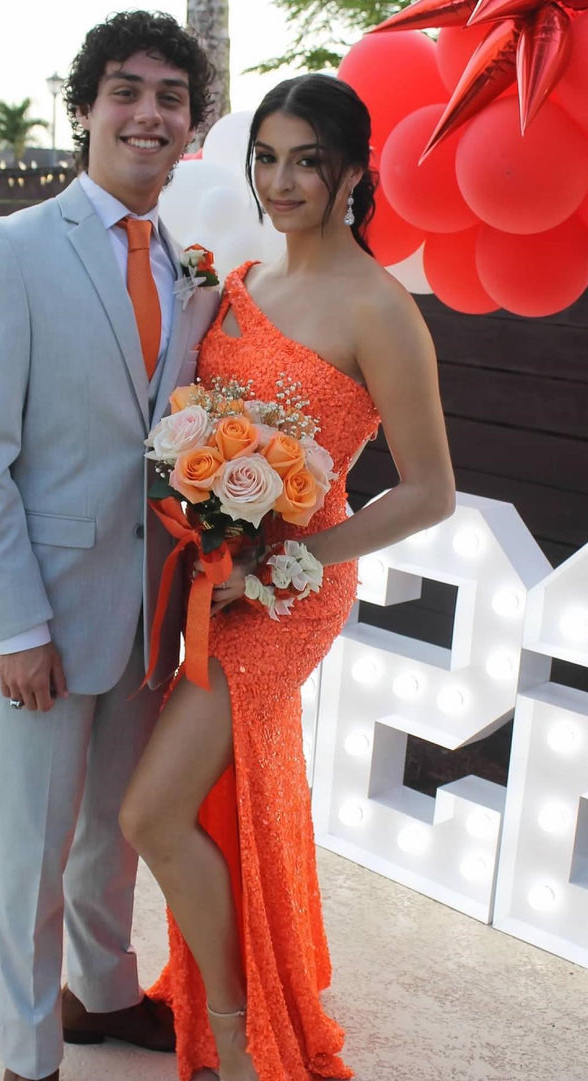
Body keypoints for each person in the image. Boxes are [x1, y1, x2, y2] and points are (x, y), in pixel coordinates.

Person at [119, 73, 456, 1081]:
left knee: (151, 814)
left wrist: (286, 558)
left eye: (308, 161)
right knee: (212, 803)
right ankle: (236, 1004)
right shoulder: (240, 284)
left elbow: (430, 490)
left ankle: (241, 1035)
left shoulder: (381, 309)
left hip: (292, 589)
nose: (281, 181)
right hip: (209, 575)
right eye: (266, 158)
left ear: (353, 172)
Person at [0, 12, 218, 1081]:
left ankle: (101, 994)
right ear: (87, 108)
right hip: (46, 616)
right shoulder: (11, 248)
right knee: (35, 848)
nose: (149, 113)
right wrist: (17, 624)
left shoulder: (191, 268)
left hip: (148, 612)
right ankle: (28, 1052)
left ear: (191, 126)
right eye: (126, 91)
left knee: (114, 829)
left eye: (170, 98)